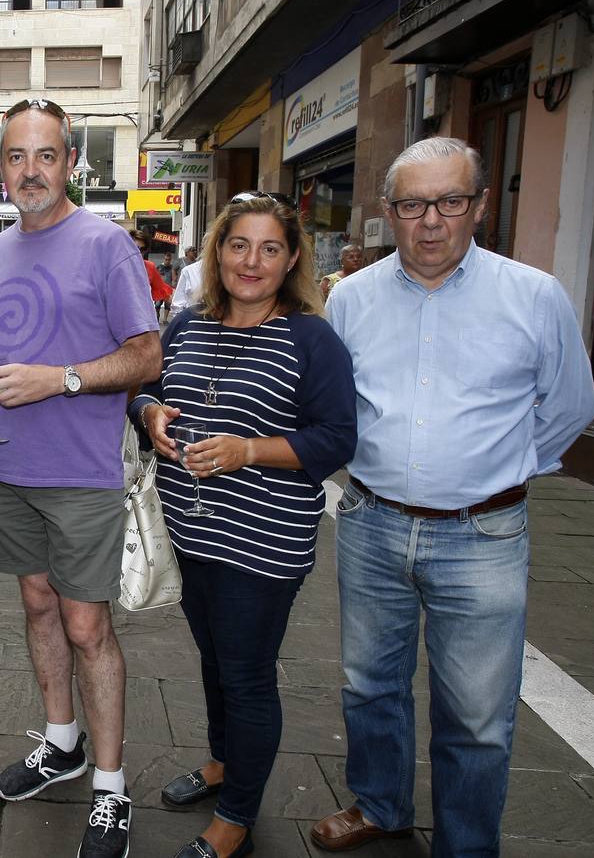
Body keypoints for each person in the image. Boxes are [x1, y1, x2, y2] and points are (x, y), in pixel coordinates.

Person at [311, 137, 594, 856]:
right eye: (412, 204)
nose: (430, 220)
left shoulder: (534, 297)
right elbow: (337, 406)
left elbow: (567, 405)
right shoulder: (352, 299)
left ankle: (466, 845)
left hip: (484, 537)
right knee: (369, 687)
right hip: (372, 523)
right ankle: (381, 804)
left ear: (480, 206)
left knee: (476, 716)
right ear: (388, 212)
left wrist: (492, 470)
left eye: (450, 201)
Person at [130, 192, 356, 858]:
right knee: (215, 663)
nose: (251, 262)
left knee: (249, 675)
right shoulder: (188, 324)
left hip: (262, 544)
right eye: (238, 245)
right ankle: (225, 761)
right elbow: (148, 390)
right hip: (191, 534)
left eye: (269, 249)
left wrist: (247, 449)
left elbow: (336, 438)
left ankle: (236, 815)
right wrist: (149, 415)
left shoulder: (310, 339)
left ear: (290, 261)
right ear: (218, 250)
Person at [0, 97, 161, 858]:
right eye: (16, 156)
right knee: (38, 604)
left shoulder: (105, 245)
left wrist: (62, 381)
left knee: (88, 627)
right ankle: (62, 744)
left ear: (71, 162)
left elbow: (147, 356)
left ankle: (111, 790)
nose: (30, 171)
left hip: (79, 474)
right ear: (3, 166)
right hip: (4, 468)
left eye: (45, 155)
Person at [129, 229, 174, 317]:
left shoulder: (149, 266)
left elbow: (163, 290)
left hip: (141, 316)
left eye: (142, 249)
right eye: (135, 248)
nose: (139, 252)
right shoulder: (115, 266)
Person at [169, 246, 202, 320]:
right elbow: (174, 269)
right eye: (193, 250)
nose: (195, 252)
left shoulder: (197, 262)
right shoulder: (180, 261)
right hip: (181, 283)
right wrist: (174, 280)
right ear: (187, 252)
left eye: (195, 250)